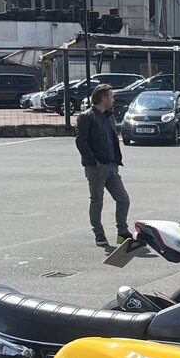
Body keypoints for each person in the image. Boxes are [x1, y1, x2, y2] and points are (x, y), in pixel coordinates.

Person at [75, 82, 130, 248]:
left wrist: (116, 162)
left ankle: (122, 232)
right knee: (97, 201)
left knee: (123, 199)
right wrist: (93, 161)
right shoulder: (87, 116)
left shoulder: (108, 116)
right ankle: (99, 233)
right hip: (97, 168)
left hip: (112, 167)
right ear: (103, 98)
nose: (113, 100)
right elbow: (81, 141)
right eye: (111, 97)